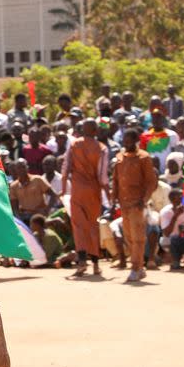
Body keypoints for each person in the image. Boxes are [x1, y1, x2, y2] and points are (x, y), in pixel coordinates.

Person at [62, 118, 109, 277]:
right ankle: (95, 264)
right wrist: (109, 195)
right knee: (92, 226)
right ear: (96, 131)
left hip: (77, 190)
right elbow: (102, 177)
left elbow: (65, 168)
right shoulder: (102, 148)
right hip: (93, 191)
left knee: (78, 226)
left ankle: (82, 262)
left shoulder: (74, 144)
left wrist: (63, 191)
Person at [110, 129, 158, 282]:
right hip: (124, 203)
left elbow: (151, 182)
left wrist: (143, 200)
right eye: (125, 139)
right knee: (129, 236)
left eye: (129, 140)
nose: (126, 142)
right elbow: (115, 181)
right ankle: (140, 266)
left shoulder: (144, 158)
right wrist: (113, 201)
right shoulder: (119, 157)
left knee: (138, 237)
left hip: (137, 204)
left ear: (136, 141)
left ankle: (135, 267)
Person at [8, 159, 57, 224]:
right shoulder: (13, 186)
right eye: (19, 168)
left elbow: (53, 195)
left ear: (27, 167)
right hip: (25, 217)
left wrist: (47, 210)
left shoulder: (37, 179)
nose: (21, 169)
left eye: (23, 166)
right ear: (16, 170)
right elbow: (14, 206)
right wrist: (19, 219)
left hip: (40, 215)